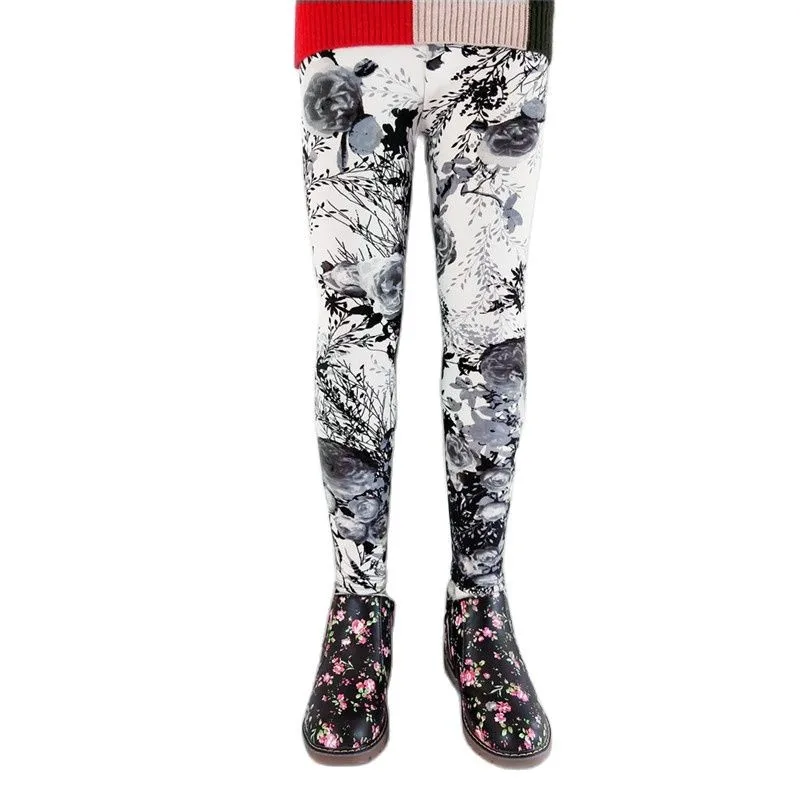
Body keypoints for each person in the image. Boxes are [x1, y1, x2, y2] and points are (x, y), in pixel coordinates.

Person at [295, 0, 555, 766]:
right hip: (347, 24)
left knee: (487, 326)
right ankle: (357, 605)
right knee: (355, 331)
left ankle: (478, 601)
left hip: (498, 28)